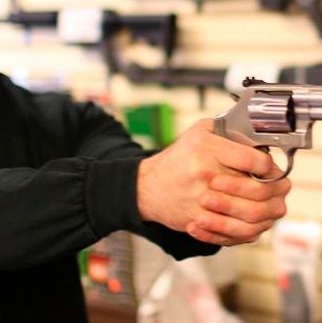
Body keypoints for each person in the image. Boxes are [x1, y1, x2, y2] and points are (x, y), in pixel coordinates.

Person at [0, 72, 291, 322]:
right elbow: (135, 183)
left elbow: (154, 183)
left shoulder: (63, 119)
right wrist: (134, 186)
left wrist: (214, 189)